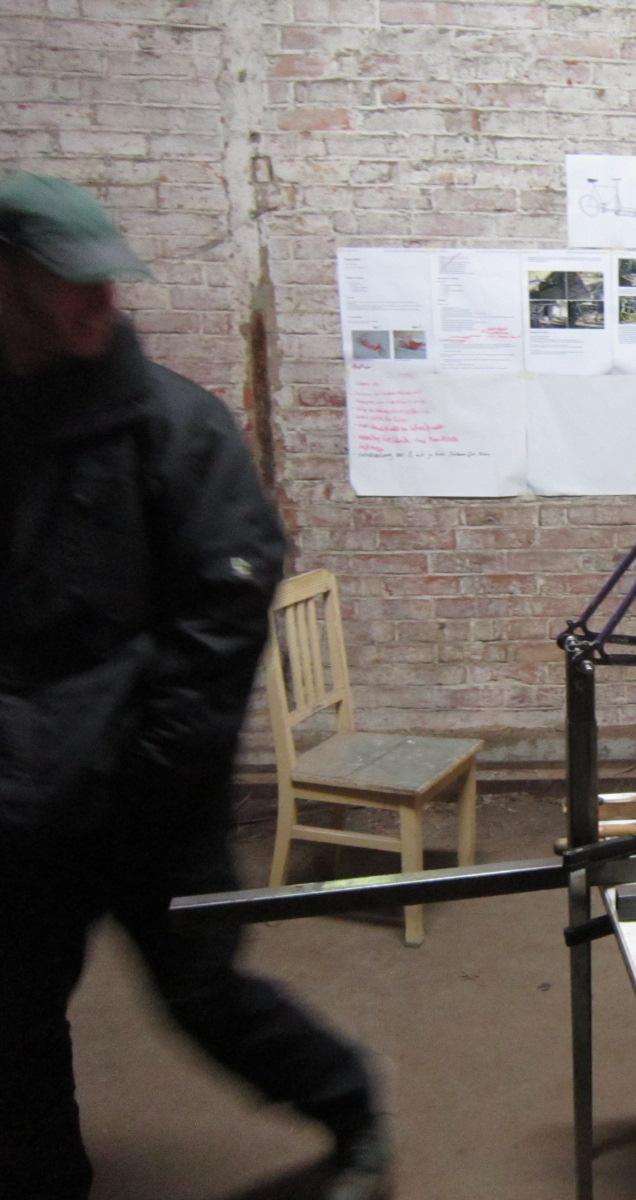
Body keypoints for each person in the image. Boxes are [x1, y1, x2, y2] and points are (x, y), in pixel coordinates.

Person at [0, 173, 391, 1200]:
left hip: (151, 796)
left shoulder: (175, 427)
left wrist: (162, 763)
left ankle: (352, 1110)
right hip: (24, 806)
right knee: (16, 1014)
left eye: (107, 280)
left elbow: (225, 609)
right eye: (70, 281)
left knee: (203, 989)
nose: (100, 300)